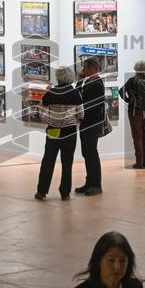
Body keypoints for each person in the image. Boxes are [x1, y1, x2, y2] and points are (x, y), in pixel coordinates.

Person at [35, 66, 83, 201]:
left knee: (48, 161)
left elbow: (41, 113)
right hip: (70, 131)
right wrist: (73, 120)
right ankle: (65, 193)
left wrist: (51, 120)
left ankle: (41, 191)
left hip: (53, 130)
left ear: (58, 77)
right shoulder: (75, 93)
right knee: (67, 163)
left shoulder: (51, 93)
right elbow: (81, 113)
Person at [75, 57, 105, 196]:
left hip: (92, 123)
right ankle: (89, 182)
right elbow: (76, 95)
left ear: (92, 68)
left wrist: (81, 110)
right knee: (86, 153)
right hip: (86, 122)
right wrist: (80, 81)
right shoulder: (89, 82)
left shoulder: (97, 84)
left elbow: (91, 104)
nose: (83, 70)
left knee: (92, 153)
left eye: (85, 67)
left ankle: (96, 185)